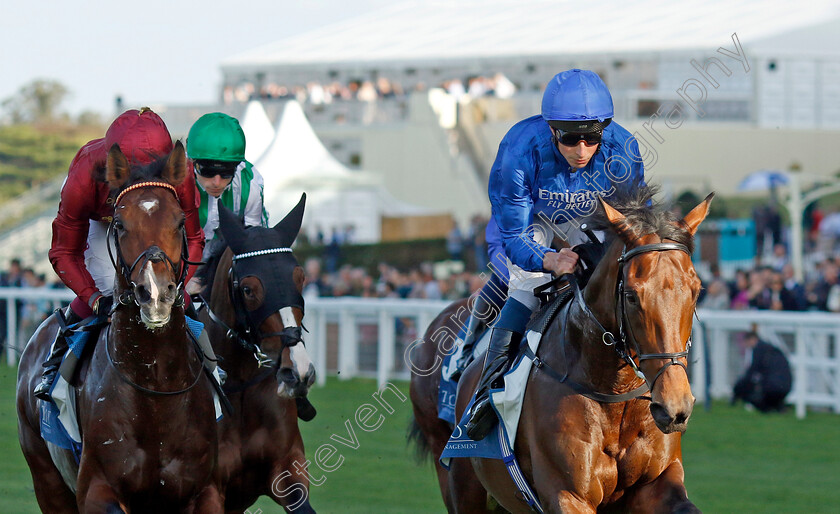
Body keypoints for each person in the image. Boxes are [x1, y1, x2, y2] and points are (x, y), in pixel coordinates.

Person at [464, 69, 645, 440]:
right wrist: (550, 259)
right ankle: (484, 390)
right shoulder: (518, 150)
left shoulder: (622, 149)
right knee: (527, 286)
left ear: (604, 130)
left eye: (591, 138)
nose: (581, 150)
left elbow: (634, 221)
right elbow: (513, 234)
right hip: (526, 226)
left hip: (590, 219)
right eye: (570, 138)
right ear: (551, 130)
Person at [35, 108, 205, 400]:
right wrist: (93, 297)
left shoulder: (182, 172)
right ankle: (55, 371)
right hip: (101, 221)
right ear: (113, 169)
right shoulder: (85, 175)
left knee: (172, 292)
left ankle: (213, 370)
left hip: (152, 223)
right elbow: (63, 251)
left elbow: (193, 237)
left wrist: (179, 286)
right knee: (107, 290)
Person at [185, 112, 269, 269]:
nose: (217, 182)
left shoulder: (251, 185)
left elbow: (253, 245)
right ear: (192, 162)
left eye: (226, 173)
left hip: (229, 266)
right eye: (207, 171)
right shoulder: (175, 180)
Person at [731, 332, 792, 412]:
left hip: (772, 387)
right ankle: (778, 407)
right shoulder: (771, 349)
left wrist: (737, 387)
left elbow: (752, 372)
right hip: (786, 386)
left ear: (752, 339)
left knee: (751, 392)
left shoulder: (758, 349)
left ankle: (768, 408)